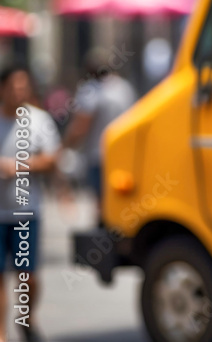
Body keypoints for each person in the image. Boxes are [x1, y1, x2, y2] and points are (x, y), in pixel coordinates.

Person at [0, 64, 60, 342]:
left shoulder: (38, 120)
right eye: (13, 86)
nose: (18, 91)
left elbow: (52, 159)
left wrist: (19, 166)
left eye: (23, 86)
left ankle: (26, 317)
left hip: (26, 212)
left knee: (28, 276)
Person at [61, 48, 136, 214]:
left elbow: (81, 126)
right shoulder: (124, 88)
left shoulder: (90, 90)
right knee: (122, 200)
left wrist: (64, 146)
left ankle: (103, 233)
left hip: (99, 156)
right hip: (124, 154)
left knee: (102, 203)